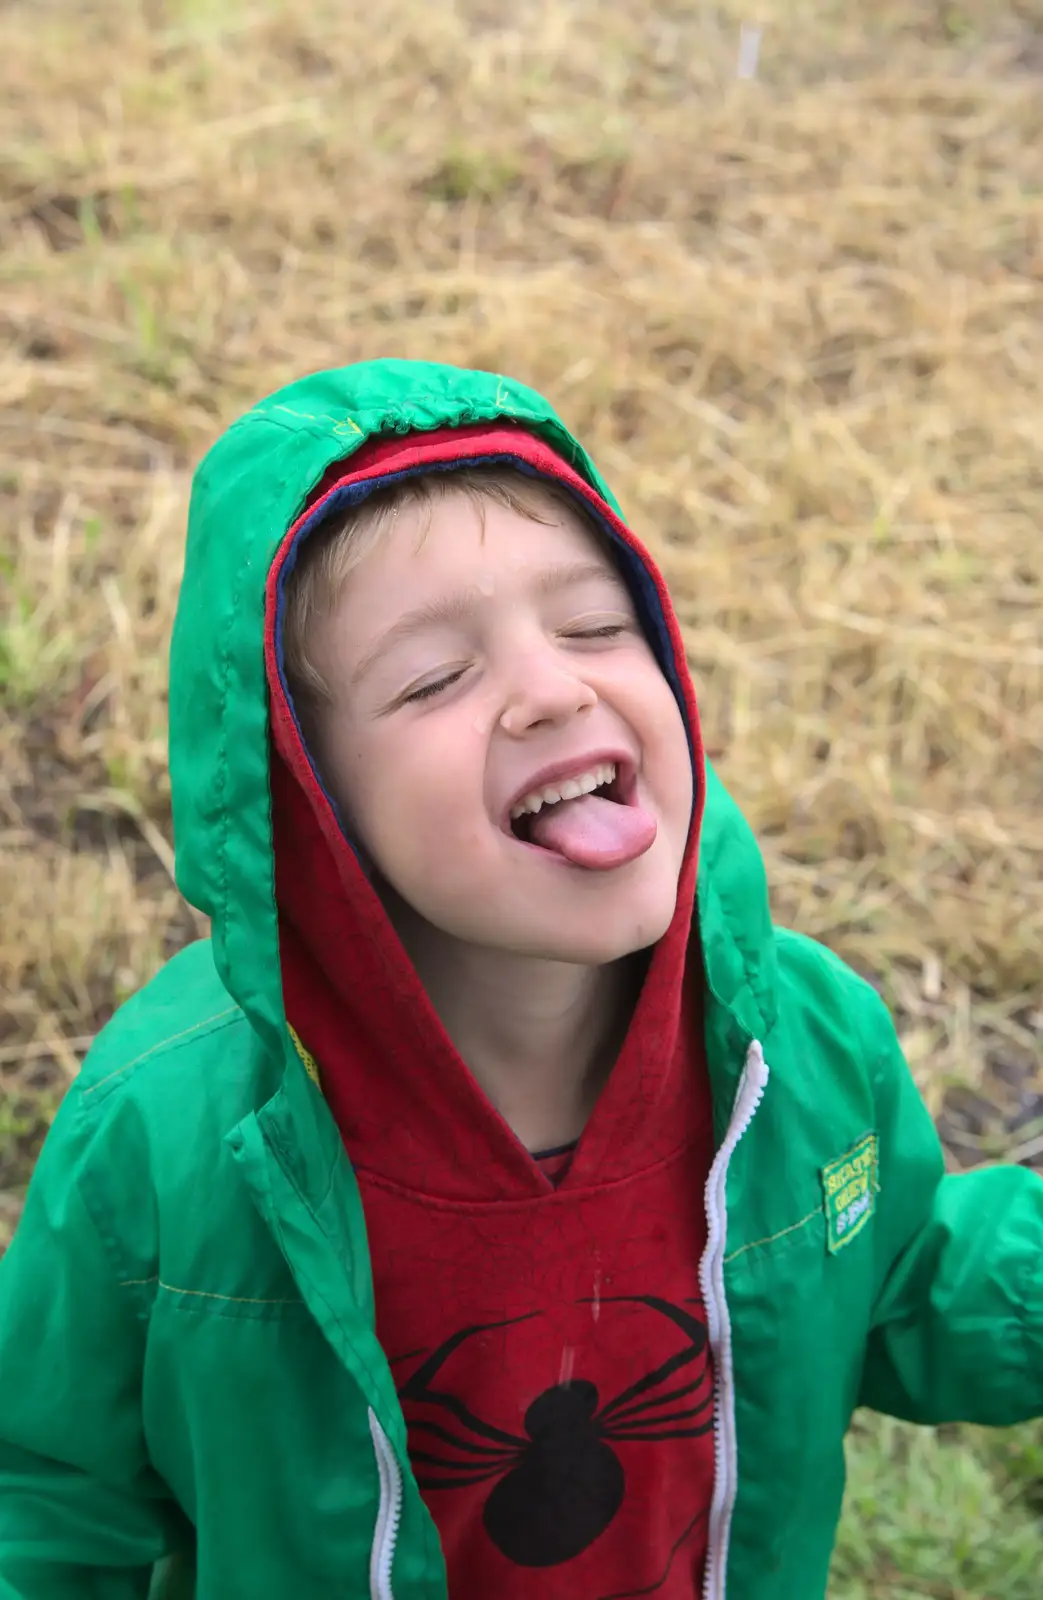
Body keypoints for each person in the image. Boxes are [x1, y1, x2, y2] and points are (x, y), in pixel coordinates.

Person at [0, 359, 1040, 1600]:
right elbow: (47, 1504)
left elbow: (897, 1285)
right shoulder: (166, 1139)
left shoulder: (800, 1050)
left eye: (597, 625)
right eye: (435, 678)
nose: (552, 687)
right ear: (312, 805)